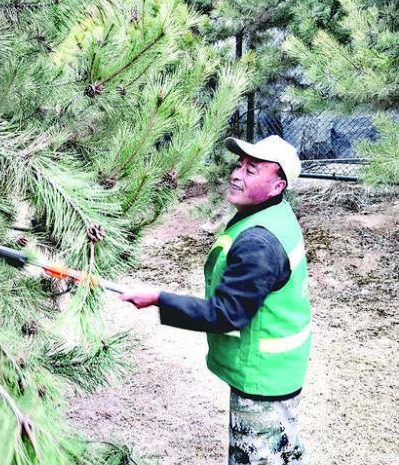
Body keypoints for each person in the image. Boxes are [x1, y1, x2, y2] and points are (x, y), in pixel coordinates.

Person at [120, 135, 311, 465]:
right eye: (239, 165)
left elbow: (226, 313)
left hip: (262, 376)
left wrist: (158, 299)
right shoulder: (275, 214)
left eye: (252, 170)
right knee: (282, 448)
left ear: (278, 185)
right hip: (282, 369)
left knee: (257, 456)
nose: (237, 174)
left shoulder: (259, 242)